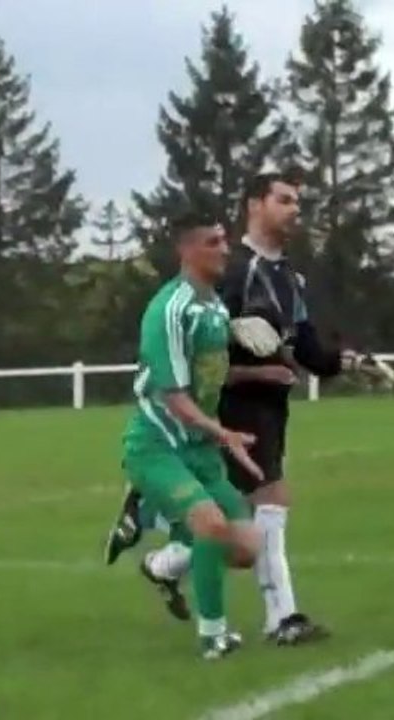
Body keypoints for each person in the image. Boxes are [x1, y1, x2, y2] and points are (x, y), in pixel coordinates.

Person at [106, 172, 394, 643]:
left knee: (237, 527)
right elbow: (198, 358)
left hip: (270, 410)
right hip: (232, 411)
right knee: (269, 503)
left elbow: (307, 352)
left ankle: (164, 559)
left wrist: (353, 361)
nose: (294, 209)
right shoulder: (232, 270)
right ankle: (281, 619)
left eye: (298, 201)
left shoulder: (288, 278)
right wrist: (251, 374)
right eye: (284, 199)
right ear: (254, 206)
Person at [119, 212, 273, 660]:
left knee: (246, 548)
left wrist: (261, 370)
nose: (225, 249)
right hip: (157, 446)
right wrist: (223, 433)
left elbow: (211, 375)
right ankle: (214, 636)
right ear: (186, 251)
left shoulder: (215, 308)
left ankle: (163, 561)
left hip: (199, 449)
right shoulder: (169, 309)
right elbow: (175, 397)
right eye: (213, 242)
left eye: (225, 240)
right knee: (210, 524)